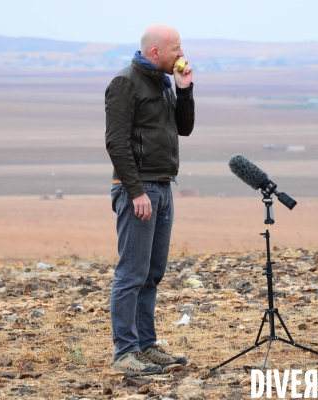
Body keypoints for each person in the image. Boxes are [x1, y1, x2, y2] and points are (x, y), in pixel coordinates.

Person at [104, 24, 195, 376]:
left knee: (152, 273)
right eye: (175, 47)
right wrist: (135, 190)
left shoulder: (165, 81)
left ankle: (145, 345)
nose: (181, 53)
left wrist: (185, 91)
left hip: (163, 186)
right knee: (132, 273)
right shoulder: (126, 82)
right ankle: (125, 352)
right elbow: (116, 143)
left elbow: (183, 129)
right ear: (156, 52)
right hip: (139, 190)